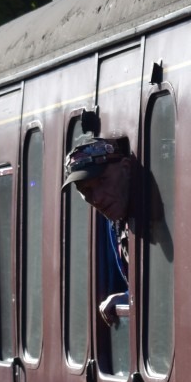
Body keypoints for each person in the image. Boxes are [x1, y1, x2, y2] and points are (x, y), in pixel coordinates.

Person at [64, 135, 135, 326]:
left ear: (126, 169)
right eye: (86, 191)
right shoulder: (115, 224)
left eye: (102, 182)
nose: (97, 199)